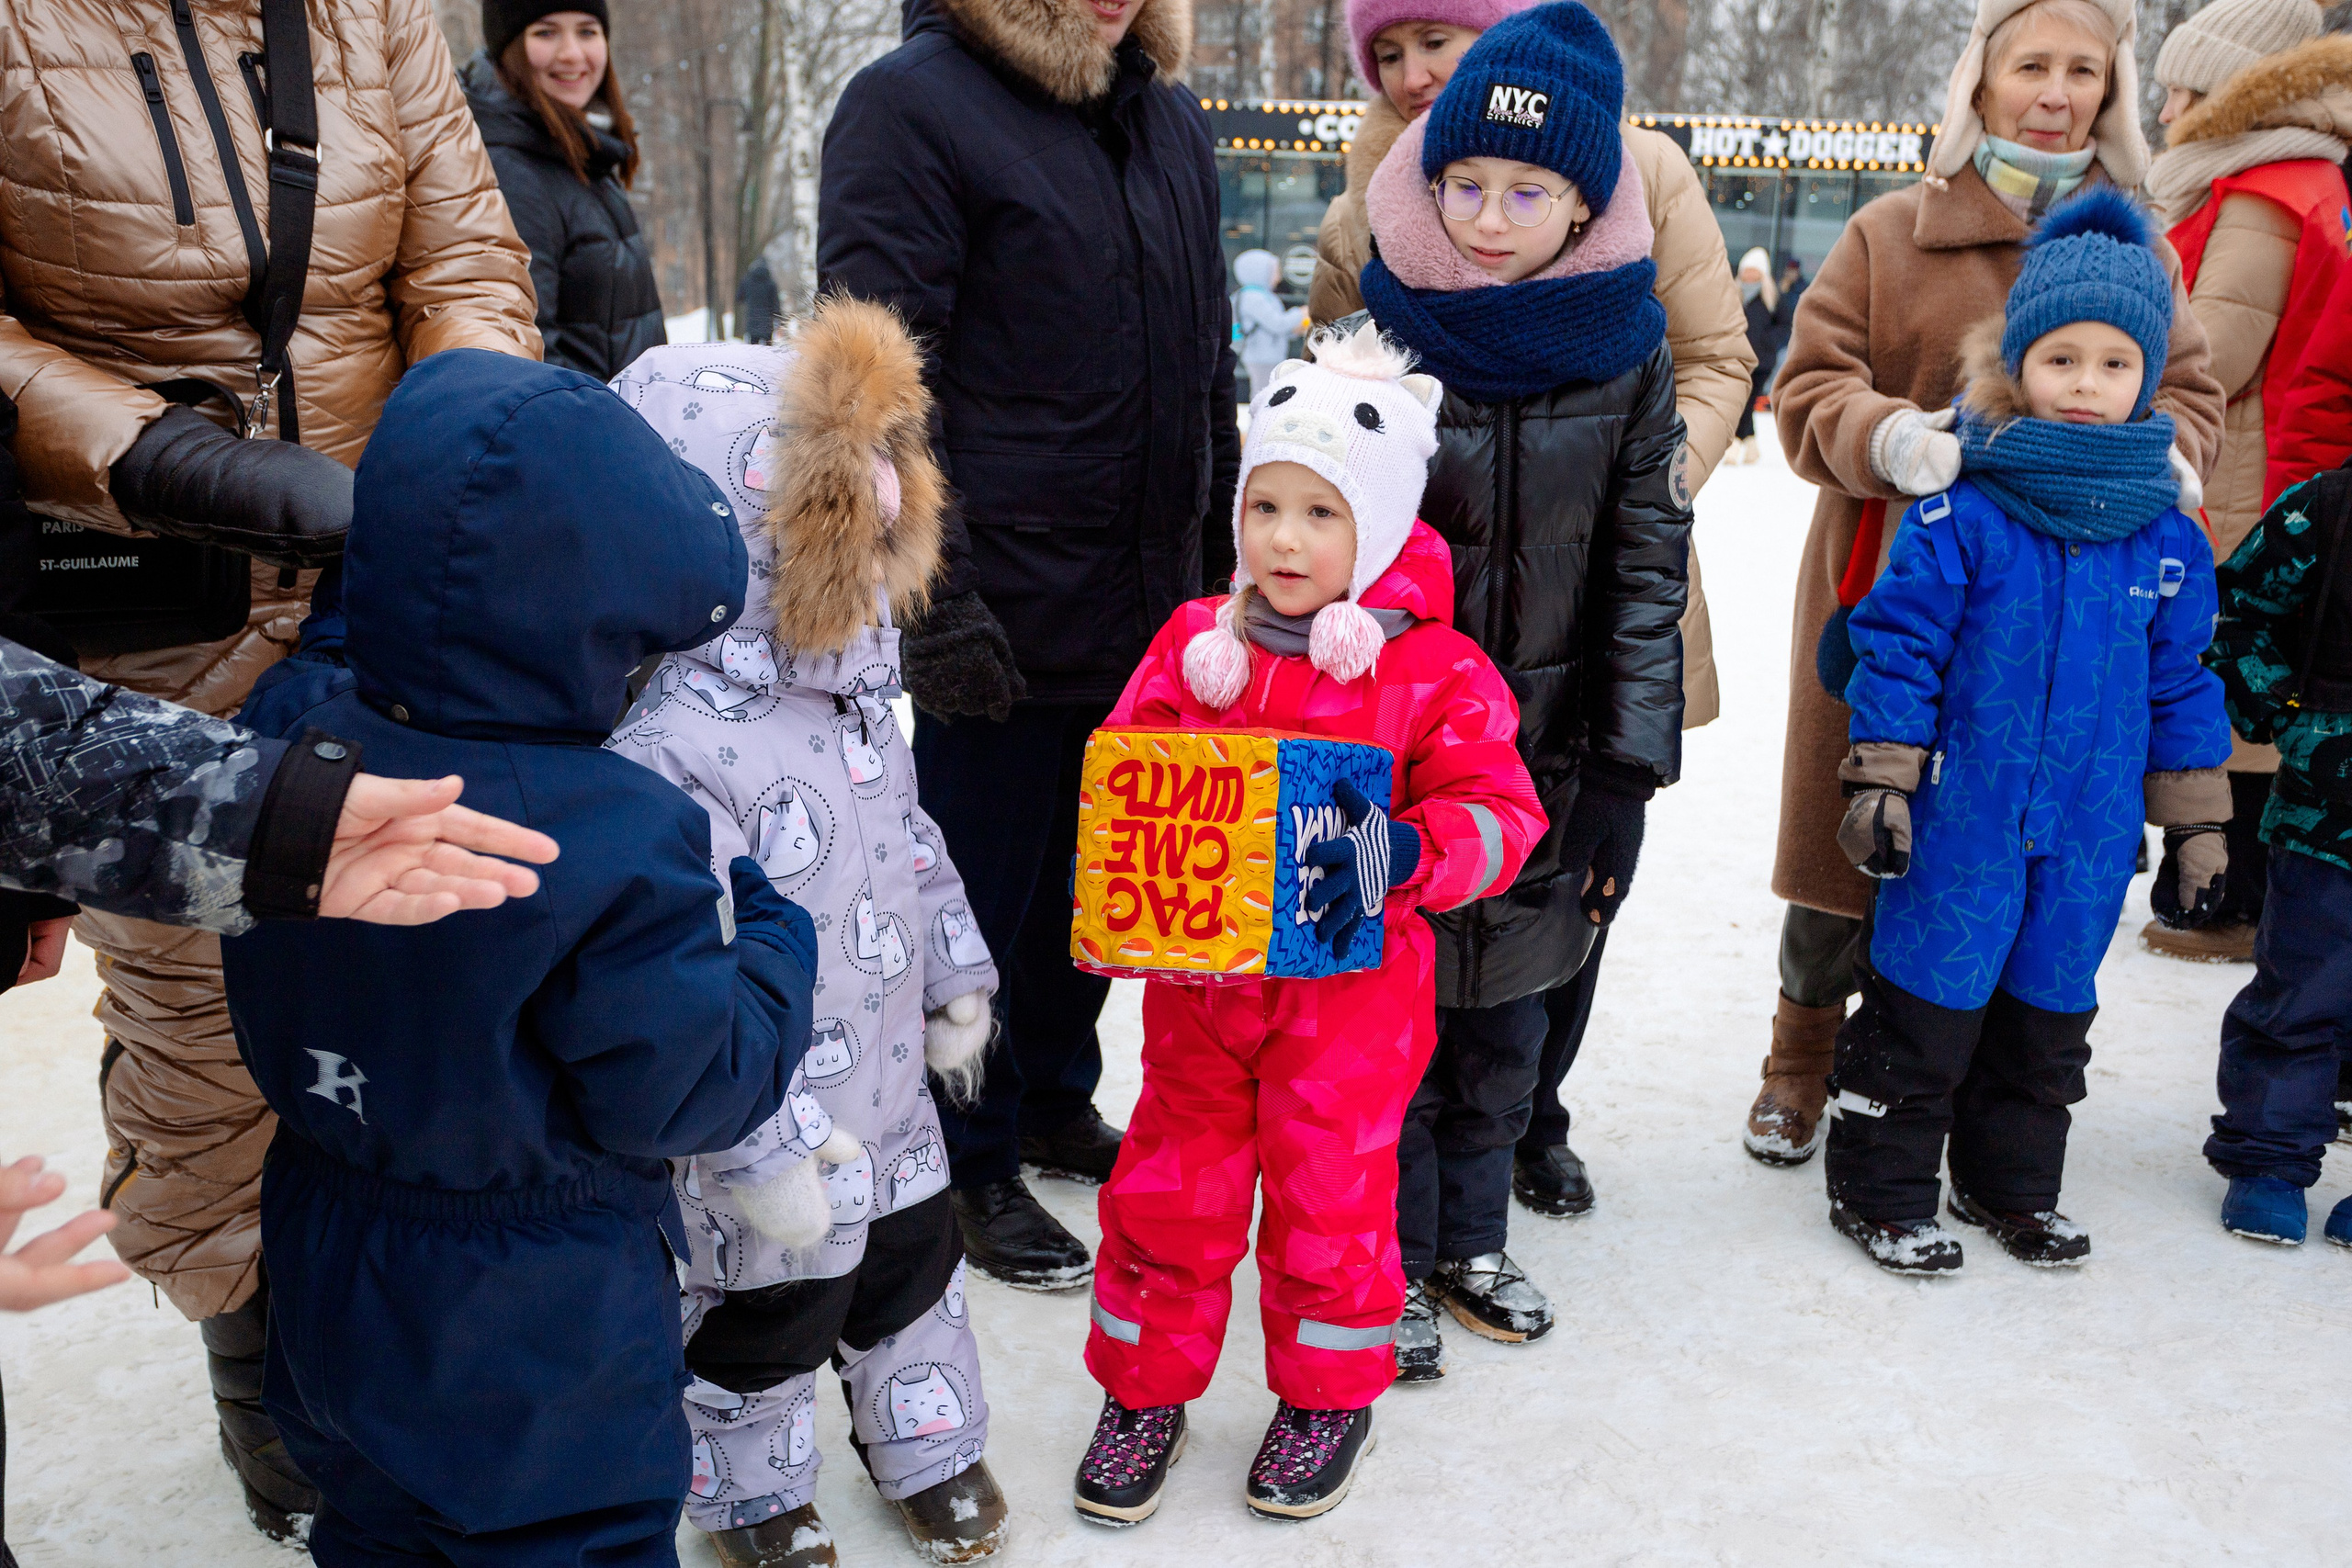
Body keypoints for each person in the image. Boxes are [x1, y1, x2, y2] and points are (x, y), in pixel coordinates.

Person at [0, 1, 539, 1533]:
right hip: (140, 598)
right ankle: (254, 1346)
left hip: (391, 577)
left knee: (432, 942)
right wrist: (150, 452)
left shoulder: (377, 15)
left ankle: (428, 1313)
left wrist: (463, 452)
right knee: (201, 1007)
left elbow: (466, 258)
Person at [216, 348, 820, 1564]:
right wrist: (772, 937)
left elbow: (381, 632)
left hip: (327, 1240)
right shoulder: (609, 835)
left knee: (375, 1513)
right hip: (539, 1307)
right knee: (568, 1537)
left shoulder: (286, 734)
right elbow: (688, 1084)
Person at [1071, 323, 1543, 1526]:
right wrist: (1132, 863)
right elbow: (1127, 772)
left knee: (1333, 1195)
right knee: (1169, 1189)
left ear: (1378, 528)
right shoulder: (1194, 644)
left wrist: (1412, 850)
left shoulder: (1436, 672)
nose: (1285, 537)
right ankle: (1142, 1388)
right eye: (1266, 504)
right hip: (1202, 1000)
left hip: (1353, 1007)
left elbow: (1501, 810)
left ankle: (1329, 1389)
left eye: (1321, 513)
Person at [1746, 0, 2225, 1174]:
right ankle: (1801, 1062)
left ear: (2111, 93)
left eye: (2082, 70)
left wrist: (2160, 458)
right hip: (1896, 594)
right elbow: (1807, 389)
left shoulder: (2145, 257)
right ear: (1980, 82)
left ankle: (1967, 1083)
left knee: (2008, 860)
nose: (2054, 93)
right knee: (1848, 837)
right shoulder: (1889, 231)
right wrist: (1893, 439)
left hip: (2066, 625)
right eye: (2029, 66)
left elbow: (2197, 395)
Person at [819, 0, 1241, 1289]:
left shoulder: (1167, 123)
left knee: (1102, 885)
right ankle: (964, 1152)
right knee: (981, 903)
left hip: (1149, 597)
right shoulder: (914, 105)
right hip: (999, 598)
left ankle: (1055, 1094)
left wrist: (1219, 574)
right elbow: (871, 377)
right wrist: (928, 602)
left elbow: (1206, 358)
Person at [1310, 0, 1748, 1222]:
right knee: (1403, 944)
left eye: (1429, 44)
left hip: (1573, 669)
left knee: (1554, 917)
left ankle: (1515, 1134)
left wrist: (1646, 481)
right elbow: (1317, 479)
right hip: (1410, 696)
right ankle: (1398, 1200)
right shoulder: (1376, 268)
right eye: (1387, 56)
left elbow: (1695, 417)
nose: (1410, 71)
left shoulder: (1633, 266)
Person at [605, 316, 1010, 1565]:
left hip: (891, 1098)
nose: (879, 526)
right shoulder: (666, 744)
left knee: (912, 1268)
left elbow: (913, 840)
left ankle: (929, 1439)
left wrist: (957, 969)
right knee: (767, 1305)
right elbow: (684, 969)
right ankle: (751, 1486)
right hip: (769, 1117)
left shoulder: (852, 696)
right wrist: (752, 1131)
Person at [1822, 190, 2233, 1275]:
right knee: (1927, 1005)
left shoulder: (2166, 533)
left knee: (2048, 1019)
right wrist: (1882, 781)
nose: (2086, 386)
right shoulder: (1967, 509)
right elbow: (1899, 645)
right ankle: (1882, 1188)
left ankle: (2009, 1187)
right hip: (1964, 811)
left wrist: (2194, 822)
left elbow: (2181, 678)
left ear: (2148, 376)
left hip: (2089, 830)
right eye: (2060, 360)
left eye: (2112, 364)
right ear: (2016, 365)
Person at [2138, 2, 2352, 963]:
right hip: (2274, 468)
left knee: (2227, 679)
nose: (2164, 104)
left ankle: (2225, 897)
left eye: (2182, 87)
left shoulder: (2266, 192)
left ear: (2235, 93)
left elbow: (2210, 351)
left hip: (2242, 475)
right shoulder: (2301, 179)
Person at [2196, 459, 2352, 1247]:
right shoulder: (2324, 508)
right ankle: (2269, 1156)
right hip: (2327, 819)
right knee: (2302, 989)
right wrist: (2287, 715)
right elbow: (2237, 612)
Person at [465, 1, 666, 382]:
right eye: (546, 32)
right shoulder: (510, 170)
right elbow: (530, 357)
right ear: (508, 47)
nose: (572, 53)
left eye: (587, 31)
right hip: (585, 435)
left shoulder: (585, 151)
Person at [1232, 249, 1312, 403]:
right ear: (1259, 272)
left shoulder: (1263, 295)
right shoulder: (1254, 298)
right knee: (1263, 395)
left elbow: (1275, 328)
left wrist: (1295, 330)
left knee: (1268, 393)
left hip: (1267, 355)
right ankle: (1258, 424)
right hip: (1261, 356)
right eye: (1274, 270)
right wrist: (1300, 312)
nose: (1279, 276)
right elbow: (1277, 324)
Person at [1734, 246, 1786, 464]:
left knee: (1746, 400)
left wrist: (1768, 342)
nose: (1749, 275)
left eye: (1754, 271)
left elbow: (1785, 326)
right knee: (1742, 400)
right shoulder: (1732, 294)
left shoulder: (1772, 296)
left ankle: (1735, 443)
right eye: (1747, 270)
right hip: (1737, 357)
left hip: (1762, 361)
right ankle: (1751, 444)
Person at [737, 255, 784, 344]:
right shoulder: (771, 283)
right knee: (767, 351)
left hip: (752, 321)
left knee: (753, 349)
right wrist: (779, 318)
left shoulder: (747, 281)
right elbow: (775, 304)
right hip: (767, 323)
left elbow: (739, 298)